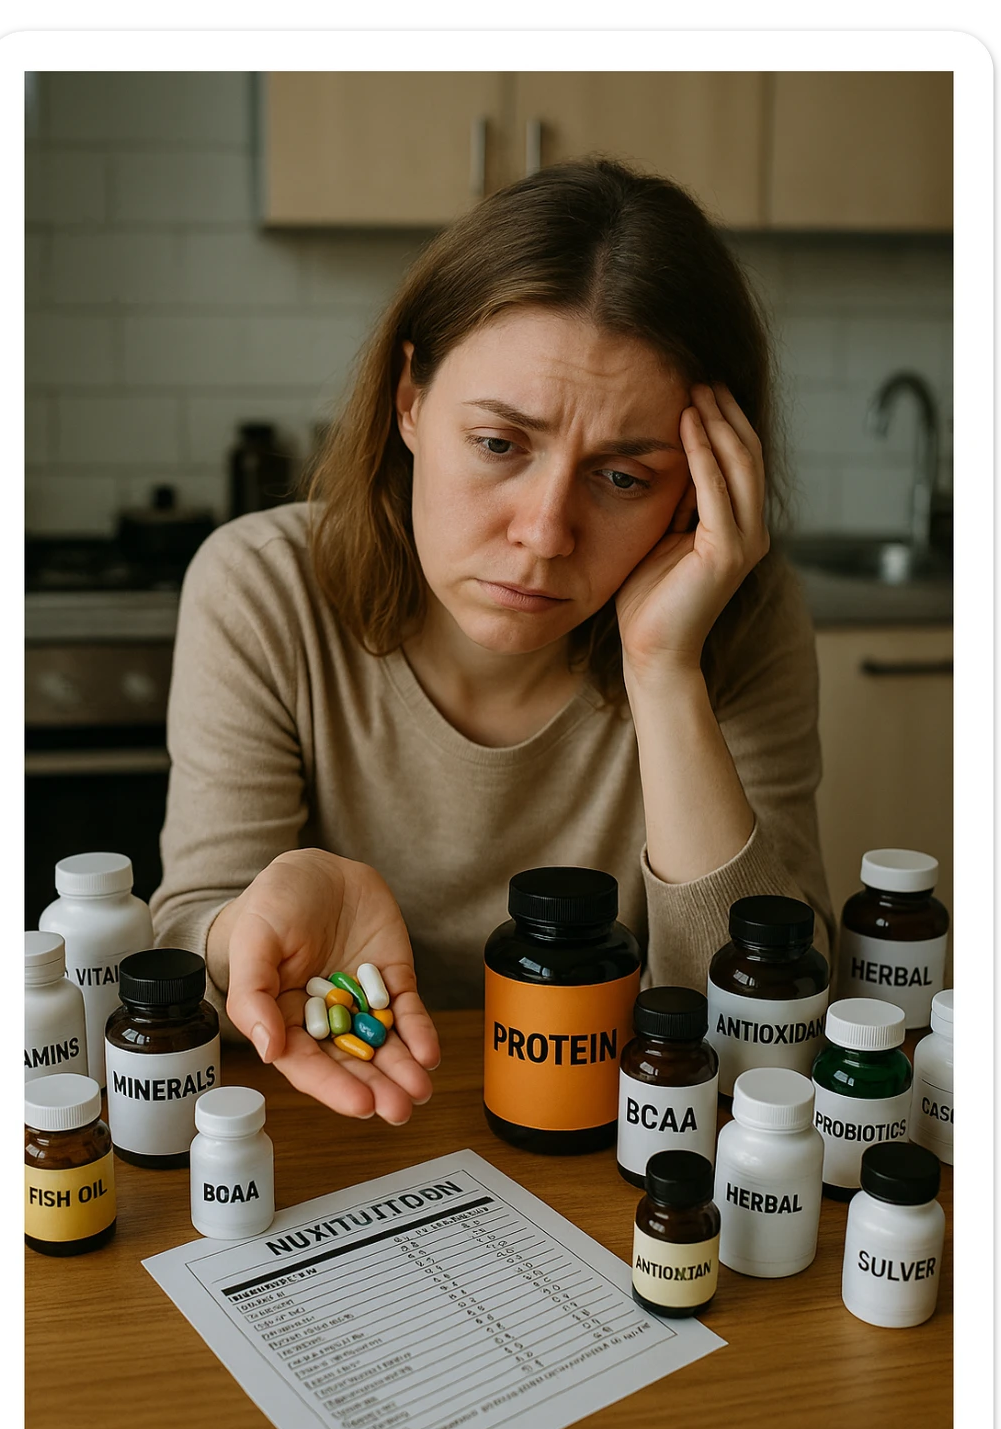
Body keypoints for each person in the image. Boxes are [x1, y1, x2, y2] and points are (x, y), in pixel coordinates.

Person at [151, 157, 833, 1128]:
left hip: (622, 1143)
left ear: (695, 487)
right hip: (339, 1124)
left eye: (624, 478)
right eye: (500, 445)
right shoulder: (260, 586)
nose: (546, 532)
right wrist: (243, 928)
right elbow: (191, 935)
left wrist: (663, 671)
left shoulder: (740, 619)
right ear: (409, 401)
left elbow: (768, 1031)